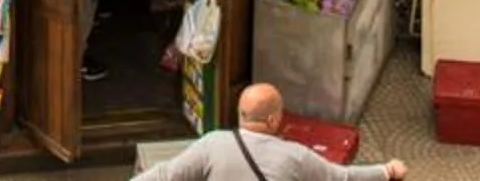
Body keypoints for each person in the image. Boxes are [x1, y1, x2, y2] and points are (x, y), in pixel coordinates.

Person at [144, 84, 405, 181]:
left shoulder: (213, 144)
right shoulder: (295, 156)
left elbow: (164, 175)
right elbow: (343, 178)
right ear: (272, 120)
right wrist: (387, 171)